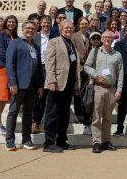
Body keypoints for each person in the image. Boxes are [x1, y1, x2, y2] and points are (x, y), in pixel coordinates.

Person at [5, 21, 43, 151]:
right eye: (28, 28)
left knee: (28, 113)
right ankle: (9, 140)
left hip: (32, 85)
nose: (30, 31)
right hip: (18, 85)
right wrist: (12, 82)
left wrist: (40, 85)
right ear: (22, 29)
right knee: (13, 111)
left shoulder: (36, 46)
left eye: (33, 29)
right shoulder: (15, 43)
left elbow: (39, 68)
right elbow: (10, 65)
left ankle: (26, 140)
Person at [43, 20, 81, 153]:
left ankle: (61, 141)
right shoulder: (54, 42)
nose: (68, 30)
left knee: (64, 115)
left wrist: (77, 83)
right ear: (60, 29)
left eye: (71, 28)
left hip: (69, 85)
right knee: (52, 114)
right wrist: (51, 81)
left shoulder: (72, 44)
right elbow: (49, 63)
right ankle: (48, 143)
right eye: (66, 28)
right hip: (57, 84)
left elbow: (75, 66)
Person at [84, 31, 123, 153]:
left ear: (113, 40)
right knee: (96, 117)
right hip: (98, 88)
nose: (107, 39)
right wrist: (95, 75)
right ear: (101, 39)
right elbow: (86, 66)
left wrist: (119, 89)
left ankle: (106, 141)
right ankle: (96, 142)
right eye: (105, 37)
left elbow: (120, 73)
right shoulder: (94, 52)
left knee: (107, 118)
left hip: (111, 89)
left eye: (110, 37)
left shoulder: (117, 55)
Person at [0, 15, 19, 134]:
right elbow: (2, 52)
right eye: (9, 22)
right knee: (0, 96)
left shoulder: (16, 36)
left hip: (12, 69)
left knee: (5, 97)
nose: (11, 24)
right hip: (3, 67)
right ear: (6, 23)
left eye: (13, 22)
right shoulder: (1, 34)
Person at [33, 15, 58, 134]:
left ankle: (50, 124)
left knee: (50, 97)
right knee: (40, 96)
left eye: (48, 23)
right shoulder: (35, 36)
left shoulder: (55, 37)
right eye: (44, 23)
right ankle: (36, 122)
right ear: (40, 24)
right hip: (38, 68)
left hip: (50, 68)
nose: (46, 25)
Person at [71, 17, 91, 134]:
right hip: (78, 67)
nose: (84, 25)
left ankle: (85, 114)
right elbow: (72, 50)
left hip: (87, 68)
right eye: (82, 23)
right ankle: (78, 114)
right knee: (77, 91)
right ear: (79, 24)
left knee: (85, 92)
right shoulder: (74, 36)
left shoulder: (90, 36)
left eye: (86, 23)